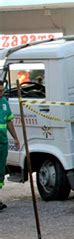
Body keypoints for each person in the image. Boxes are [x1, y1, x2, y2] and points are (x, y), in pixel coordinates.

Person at [0, 83, 20, 211]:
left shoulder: (4, 102)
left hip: (2, 142)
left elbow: (8, 121)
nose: (1, 93)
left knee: (0, 171)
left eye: (2, 91)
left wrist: (16, 138)